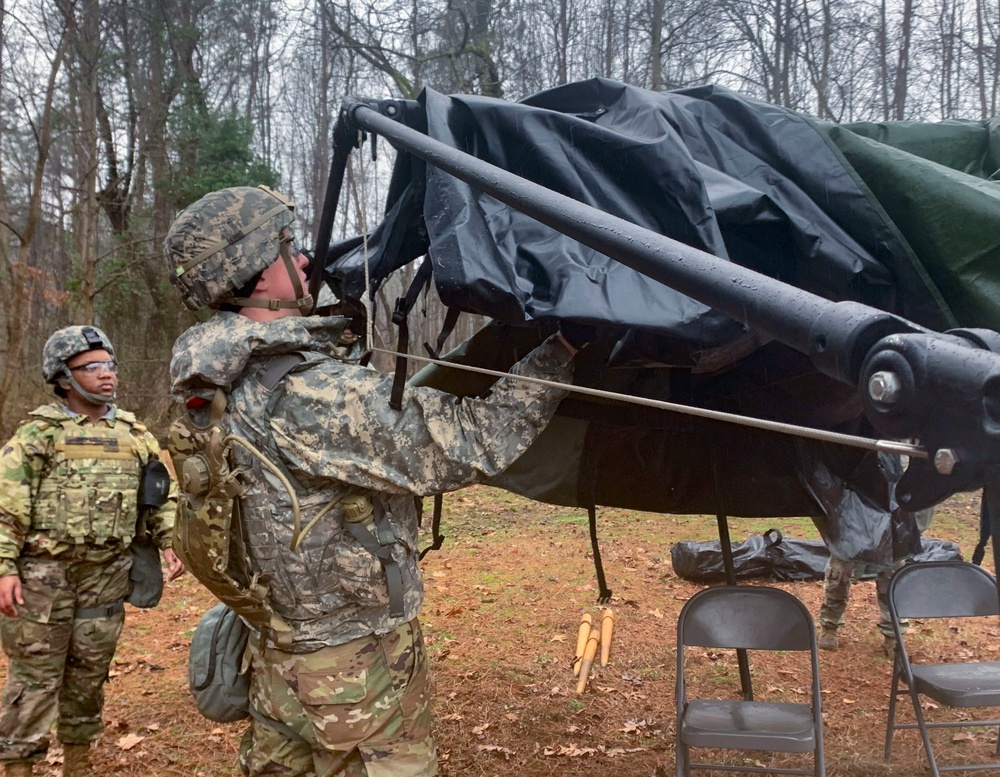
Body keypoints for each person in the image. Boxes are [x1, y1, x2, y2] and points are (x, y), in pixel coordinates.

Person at [164, 185, 584, 777]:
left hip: (275, 651)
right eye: (286, 245)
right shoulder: (307, 392)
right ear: (255, 275)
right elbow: (475, 438)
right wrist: (563, 348)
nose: (304, 257)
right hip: (354, 670)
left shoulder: (212, 382)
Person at [0, 325, 184, 777]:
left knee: (87, 677)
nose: (107, 375)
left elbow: (160, 495)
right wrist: (4, 565)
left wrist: (170, 541)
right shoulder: (38, 434)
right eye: (92, 367)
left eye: (110, 365)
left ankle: (78, 764)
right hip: (42, 578)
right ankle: (18, 766)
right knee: (35, 680)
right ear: (64, 377)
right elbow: (7, 504)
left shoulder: (134, 434)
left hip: (106, 575)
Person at [818, 506, 934, 656]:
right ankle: (829, 626)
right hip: (852, 522)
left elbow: (923, 505)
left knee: (892, 580)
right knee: (838, 574)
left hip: (894, 525)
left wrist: (907, 531)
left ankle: (893, 637)